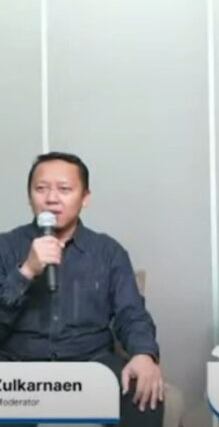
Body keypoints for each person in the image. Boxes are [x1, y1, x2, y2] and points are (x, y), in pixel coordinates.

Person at [0, 152, 164, 427]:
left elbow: (132, 314)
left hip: (91, 365)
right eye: (41, 189)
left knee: (142, 391)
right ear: (29, 197)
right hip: (18, 369)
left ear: (85, 198)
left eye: (64, 189)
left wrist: (144, 354)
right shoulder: (5, 247)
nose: (52, 198)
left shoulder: (108, 252)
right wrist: (26, 272)